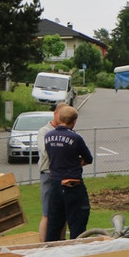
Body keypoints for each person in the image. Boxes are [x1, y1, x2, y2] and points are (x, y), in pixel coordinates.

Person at [44, 105, 93, 242]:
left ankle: (50, 249)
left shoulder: (48, 136)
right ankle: (76, 249)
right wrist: (77, 162)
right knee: (78, 222)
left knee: (54, 223)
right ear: (74, 121)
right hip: (73, 185)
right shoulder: (75, 138)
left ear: (59, 117)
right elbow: (88, 158)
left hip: (55, 184)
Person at [36, 103, 65, 242]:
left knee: (63, 213)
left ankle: (62, 243)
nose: (64, 119)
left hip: (63, 175)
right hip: (48, 173)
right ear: (55, 114)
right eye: (62, 115)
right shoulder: (44, 131)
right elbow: (46, 151)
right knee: (47, 213)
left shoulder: (68, 131)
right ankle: (43, 245)